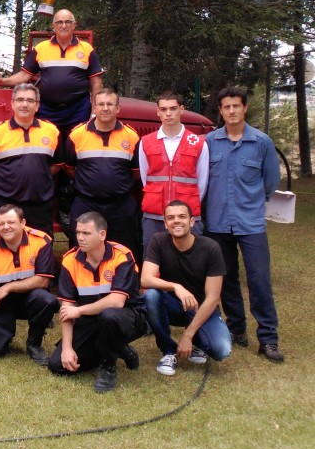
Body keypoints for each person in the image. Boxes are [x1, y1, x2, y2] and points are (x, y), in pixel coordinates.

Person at [205, 87, 283, 362]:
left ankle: (268, 338)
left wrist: (250, 203)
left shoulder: (261, 142)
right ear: (220, 110)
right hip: (216, 222)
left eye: (236, 106)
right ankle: (236, 329)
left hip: (250, 224)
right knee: (225, 279)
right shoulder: (209, 142)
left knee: (259, 279)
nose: (231, 111)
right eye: (226, 107)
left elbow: (270, 183)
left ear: (245, 108)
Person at [48, 212, 147, 393]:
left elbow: (117, 302)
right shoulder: (70, 260)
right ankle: (120, 349)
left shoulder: (122, 257)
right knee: (57, 365)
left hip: (127, 317)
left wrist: (79, 311)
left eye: (86, 233)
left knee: (109, 316)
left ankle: (108, 367)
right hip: (91, 319)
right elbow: (66, 308)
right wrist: (67, 349)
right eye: (78, 232)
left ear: (102, 235)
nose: (80, 238)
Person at [142, 201, 232, 376]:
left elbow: (213, 298)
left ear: (192, 221)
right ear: (165, 223)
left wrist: (188, 335)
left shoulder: (210, 248)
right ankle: (168, 351)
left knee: (222, 350)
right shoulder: (158, 241)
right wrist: (176, 286)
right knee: (151, 295)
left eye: (182, 217)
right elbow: (145, 279)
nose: (176, 221)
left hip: (201, 308)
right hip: (172, 306)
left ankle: (197, 341)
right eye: (171, 218)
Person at [0, 8, 102, 135]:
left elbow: (96, 83)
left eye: (68, 22)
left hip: (78, 110)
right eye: (59, 22)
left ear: (74, 25)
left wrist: (95, 111)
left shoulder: (87, 49)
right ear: (53, 26)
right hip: (47, 110)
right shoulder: (41, 48)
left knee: (76, 149)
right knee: (47, 147)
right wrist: (2, 80)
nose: (63, 26)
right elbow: (25, 75)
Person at [0, 204, 58, 365]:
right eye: (1, 223)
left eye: (11, 222)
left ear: (23, 223)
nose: (6, 227)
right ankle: (4, 334)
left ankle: (34, 344)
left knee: (46, 299)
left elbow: (43, 280)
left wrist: (8, 286)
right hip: (1, 303)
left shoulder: (41, 241)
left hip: (31, 299)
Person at [64, 88, 141, 260]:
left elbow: (136, 173)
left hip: (121, 205)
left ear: (118, 108)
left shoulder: (131, 136)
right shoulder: (77, 135)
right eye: (101, 104)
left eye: (110, 104)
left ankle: (124, 285)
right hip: (86, 203)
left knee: (124, 251)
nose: (105, 108)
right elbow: (69, 168)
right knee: (81, 249)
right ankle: (78, 284)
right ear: (94, 107)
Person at [0, 83, 61, 234]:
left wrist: (39, 175)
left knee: (41, 251)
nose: (25, 104)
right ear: (12, 103)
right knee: (5, 250)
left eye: (30, 101)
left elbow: (57, 165)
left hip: (40, 205)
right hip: (6, 204)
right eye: (20, 100)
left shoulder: (51, 131)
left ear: (37, 105)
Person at [139, 90, 208, 247]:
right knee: (153, 263)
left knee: (189, 263)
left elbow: (202, 182)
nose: (168, 113)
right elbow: (146, 178)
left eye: (173, 108)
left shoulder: (197, 143)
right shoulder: (146, 142)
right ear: (158, 112)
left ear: (181, 109)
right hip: (154, 216)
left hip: (187, 217)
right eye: (163, 109)